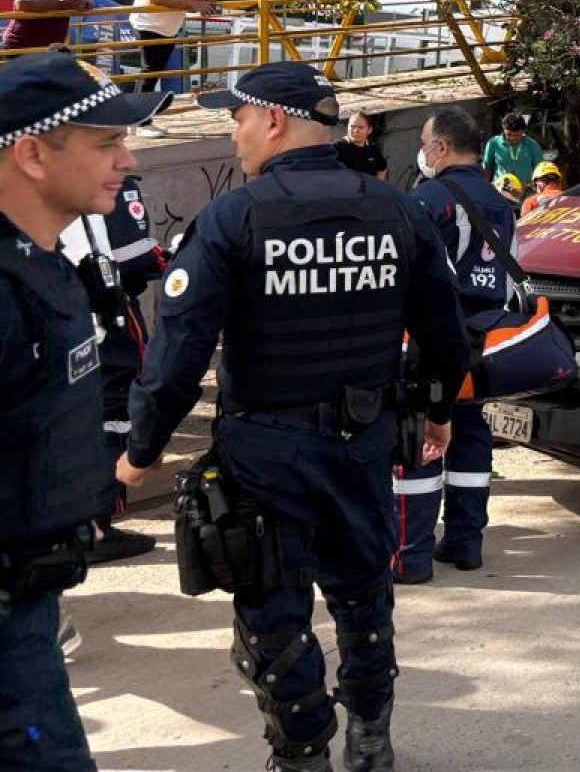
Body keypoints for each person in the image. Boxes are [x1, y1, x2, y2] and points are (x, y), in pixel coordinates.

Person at [117, 61, 469, 772]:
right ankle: (371, 742)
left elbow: (178, 353)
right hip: (364, 443)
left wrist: (141, 451)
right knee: (364, 595)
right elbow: (446, 333)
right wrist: (437, 412)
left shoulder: (233, 217)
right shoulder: (396, 209)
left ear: (272, 120)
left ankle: (302, 753)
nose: (235, 133)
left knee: (273, 617)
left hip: (264, 455)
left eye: (238, 118)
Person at [0, 51, 169, 771]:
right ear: (33, 153)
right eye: (106, 143)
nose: (127, 161)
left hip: (31, 607)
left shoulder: (40, 265)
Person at [394, 108, 516, 583]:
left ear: (441, 147)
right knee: (468, 434)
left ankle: (411, 556)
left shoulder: (427, 199)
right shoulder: (501, 202)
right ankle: (466, 544)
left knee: (420, 437)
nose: (423, 154)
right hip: (483, 337)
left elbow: (409, 276)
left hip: (432, 337)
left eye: (425, 145)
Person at [57, 175, 168, 564]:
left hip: (73, 312)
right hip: (106, 316)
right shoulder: (113, 181)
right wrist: (177, 258)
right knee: (114, 411)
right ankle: (98, 525)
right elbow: (135, 256)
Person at [481, 113, 540, 187]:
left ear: (523, 131)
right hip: (499, 190)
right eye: (508, 134)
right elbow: (486, 167)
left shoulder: (533, 146)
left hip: (526, 191)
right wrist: (484, 187)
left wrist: (530, 187)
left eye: (516, 135)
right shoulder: (493, 143)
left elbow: (540, 172)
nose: (512, 138)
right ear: (503, 130)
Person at [333, 111, 389, 181]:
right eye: (352, 126)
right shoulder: (336, 148)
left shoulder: (372, 148)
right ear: (347, 127)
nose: (356, 130)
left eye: (360, 127)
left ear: (369, 130)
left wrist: (378, 186)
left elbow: (382, 168)